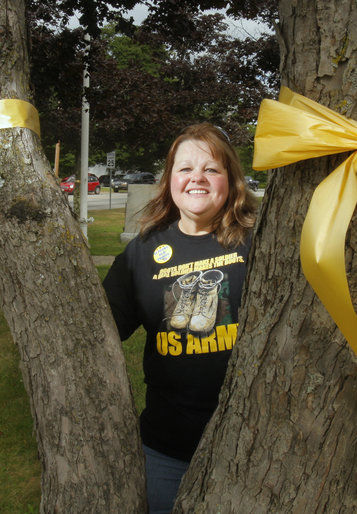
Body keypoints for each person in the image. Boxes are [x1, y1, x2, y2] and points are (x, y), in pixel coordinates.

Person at [102, 123, 257, 513]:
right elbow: (101, 329)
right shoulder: (143, 251)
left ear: (231, 180)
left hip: (248, 446)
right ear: (170, 179)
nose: (197, 178)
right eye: (185, 168)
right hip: (166, 448)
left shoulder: (257, 244)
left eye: (211, 169)